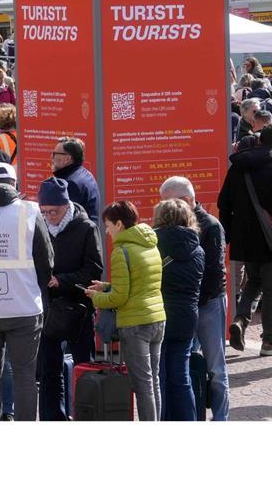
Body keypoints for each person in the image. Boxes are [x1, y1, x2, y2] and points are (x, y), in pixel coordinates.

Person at [0, 162, 53, 421]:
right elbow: (46, 261)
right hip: (24, 306)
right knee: (25, 375)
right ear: (14, 184)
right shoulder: (29, 211)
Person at [218, 126, 272, 355]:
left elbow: (224, 202)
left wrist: (230, 235)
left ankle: (240, 320)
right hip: (271, 240)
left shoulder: (238, 167)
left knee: (253, 282)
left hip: (244, 239)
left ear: (259, 140)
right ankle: (269, 341)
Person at [87, 200, 166, 421]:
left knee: (142, 386)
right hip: (157, 318)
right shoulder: (150, 244)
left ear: (119, 224)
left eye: (108, 225)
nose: (107, 230)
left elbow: (120, 298)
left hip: (135, 324)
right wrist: (106, 287)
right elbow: (139, 284)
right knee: (153, 381)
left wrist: (97, 297)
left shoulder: (121, 251)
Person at [36, 176, 103, 420]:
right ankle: (53, 418)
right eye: (44, 211)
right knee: (48, 371)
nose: (50, 216)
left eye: (54, 211)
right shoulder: (38, 225)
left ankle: (87, 416)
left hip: (78, 307)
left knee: (84, 366)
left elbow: (94, 270)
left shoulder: (86, 227)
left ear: (67, 206)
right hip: (48, 308)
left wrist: (61, 280)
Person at [151, 199, 204, 421]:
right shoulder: (198, 249)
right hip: (187, 316)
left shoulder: (153, 246)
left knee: (159, 376)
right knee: (181, 376)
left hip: (159, 314)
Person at [51, 136, 100, 220]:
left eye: (55, 154)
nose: (51, 157)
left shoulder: (70, 184)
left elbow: (64, 221)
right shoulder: (85, 174)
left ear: (67, 159)